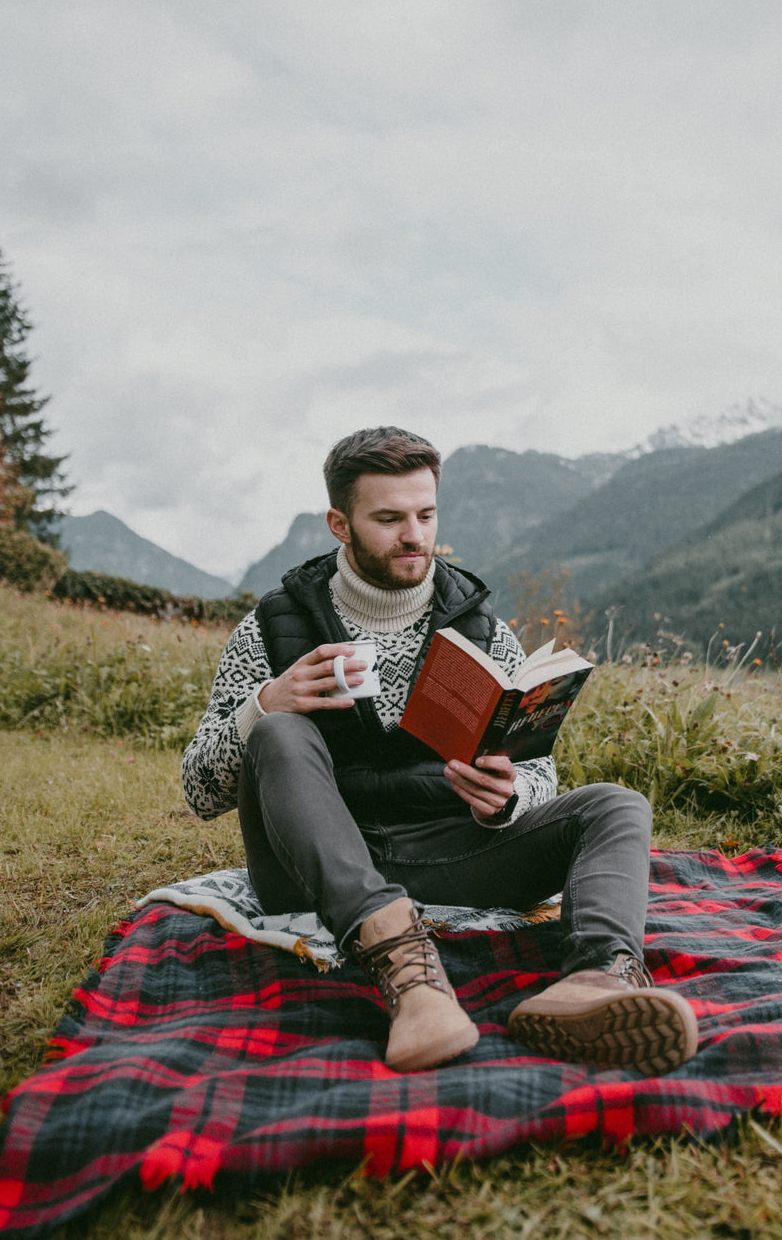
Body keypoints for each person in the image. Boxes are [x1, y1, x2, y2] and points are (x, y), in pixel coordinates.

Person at [182, 426, 697, 1075]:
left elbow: (537, 767)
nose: (414, 536)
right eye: (389, 518)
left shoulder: (481, 625)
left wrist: (508, 798)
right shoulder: (272, 623)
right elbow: (199, 790)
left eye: (426, 515)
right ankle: (408, 975)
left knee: (616, 805)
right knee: (280, 731)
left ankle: (599, 982)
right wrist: (263, 705)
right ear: (339, 523)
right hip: (311, 870)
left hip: (448, 852)